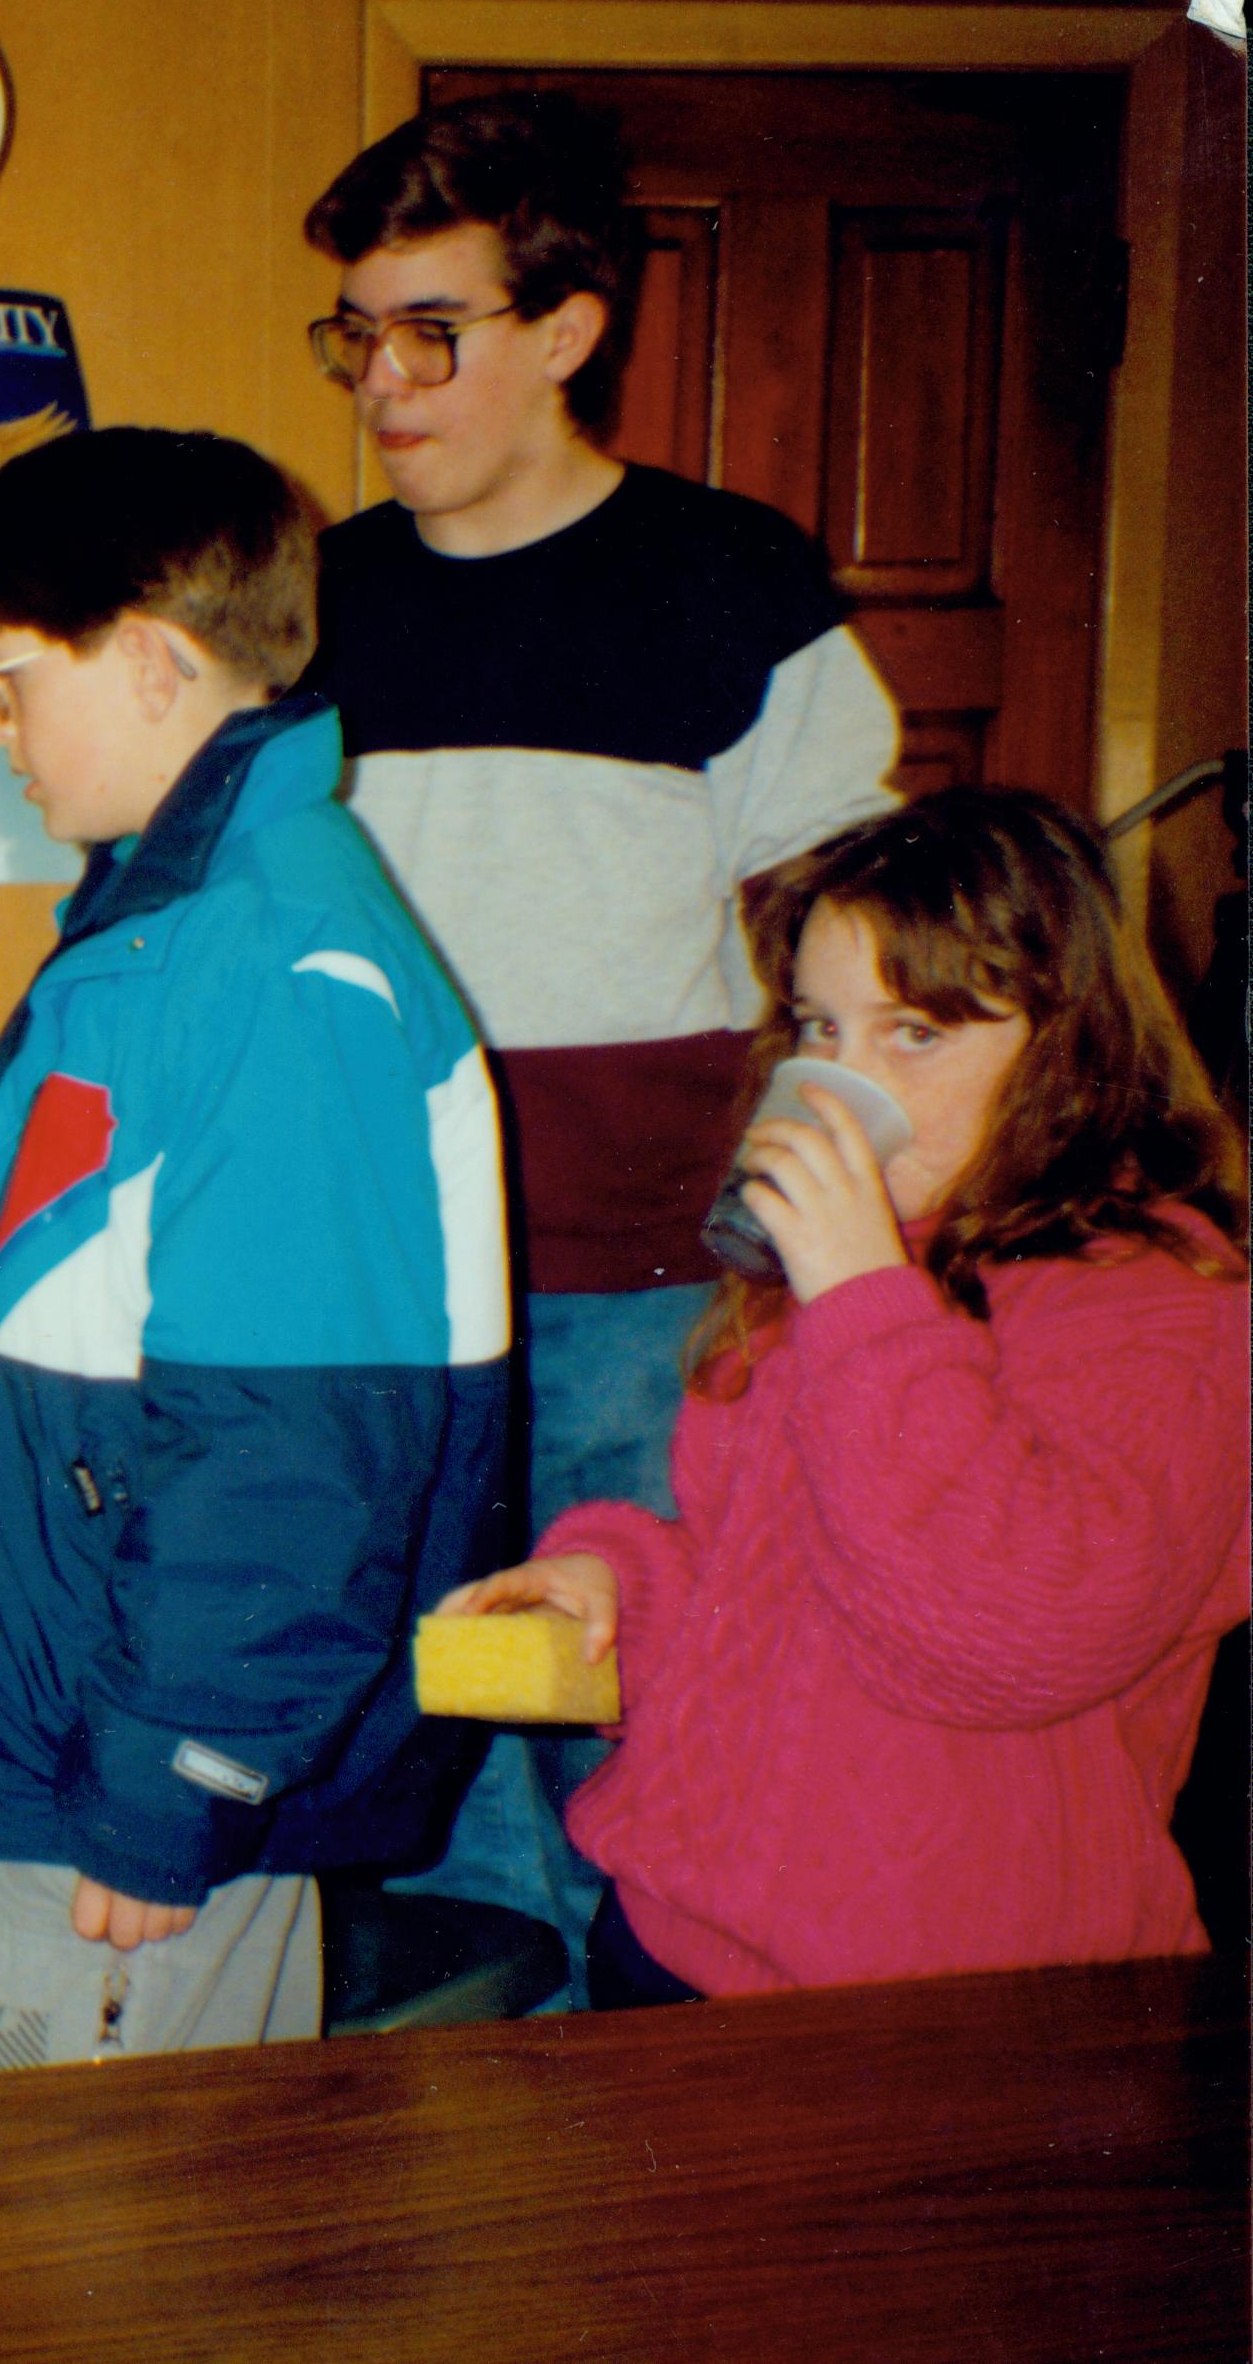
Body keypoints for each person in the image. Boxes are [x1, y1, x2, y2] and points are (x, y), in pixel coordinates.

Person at [296, 93, 903, 1992]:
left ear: (563, 332)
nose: (382, 385)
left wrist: (819, 1228)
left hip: (645, 1288)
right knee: (449, 1729)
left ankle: (642, 2119)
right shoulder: (321, 601)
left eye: (430, 333)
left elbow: (856, 944)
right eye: (357, 337)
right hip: (390, 1292)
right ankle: (498, 2143)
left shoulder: (732, 582)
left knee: (639, 1723)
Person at [0, 428, 511, 2063]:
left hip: (132, 1798)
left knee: (109, 2259)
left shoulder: (278, 962)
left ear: (153, 667)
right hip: (89, 1737)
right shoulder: (178, 925)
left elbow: (296, 1445)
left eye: (9, 679)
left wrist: (178, 1776)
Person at [439, 788, 1250, 2004]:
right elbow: (754, 1579)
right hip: (674, 1933)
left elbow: (999, 1635)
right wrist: (612, 1586)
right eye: (818, 1027)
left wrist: (862, 1295)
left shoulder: (1158, 1301)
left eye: (912, 1032)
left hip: (952, 1999)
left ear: (1066, 1044)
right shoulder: (849, 1271)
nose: (834, 1081)